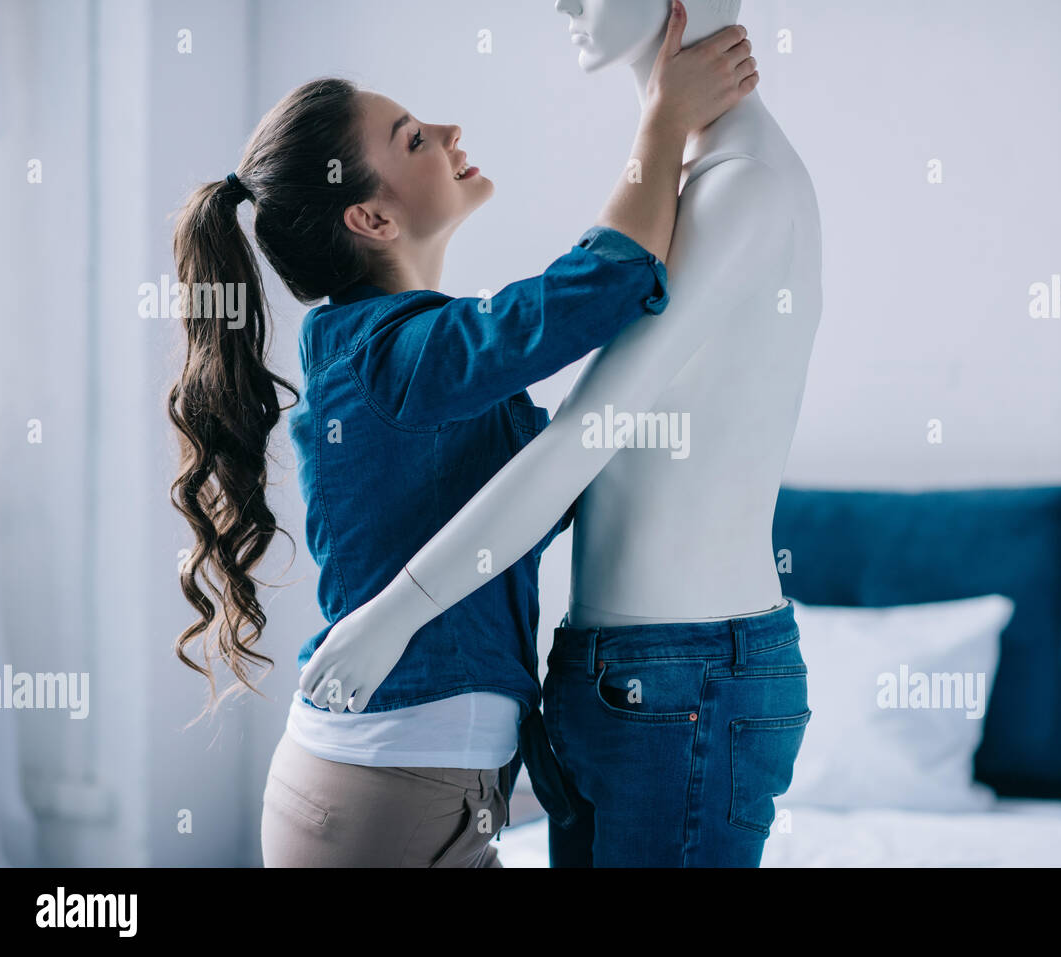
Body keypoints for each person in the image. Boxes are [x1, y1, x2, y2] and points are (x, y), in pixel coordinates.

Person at [166, 0, 759, 866]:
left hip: (374, 786)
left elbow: (538, 490)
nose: (446, 130)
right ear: (369, 220)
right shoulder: (396, 355)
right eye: (411, 139)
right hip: (392, 798)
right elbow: (598, 286)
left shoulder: (381, 353)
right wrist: (663, 120)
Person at [302, 0, 822, 867]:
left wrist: (394, 613)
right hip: (624, 674)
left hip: (685, 675)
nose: (565, 3)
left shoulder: (742, 185)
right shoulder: (690, 181)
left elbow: (585, 435)